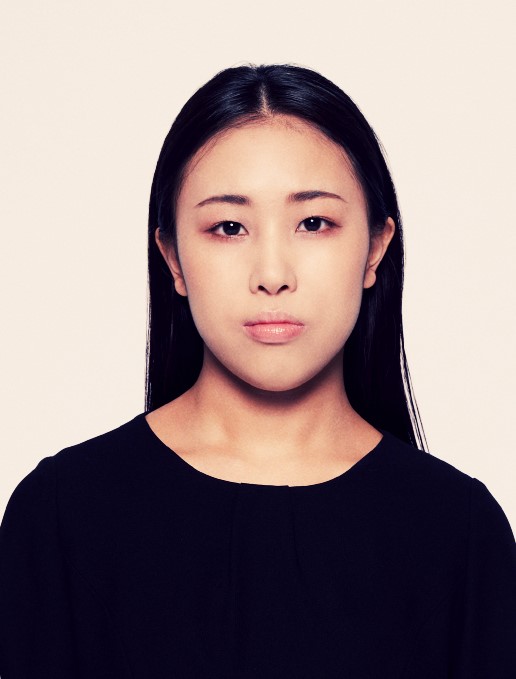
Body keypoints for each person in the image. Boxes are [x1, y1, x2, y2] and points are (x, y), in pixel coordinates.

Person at [0, 63, 515, 678]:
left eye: (314, 223)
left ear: (375, 249)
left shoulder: (459, 532)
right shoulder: (61, 516)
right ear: (173, 258)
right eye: (229, 227)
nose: (273, 274)